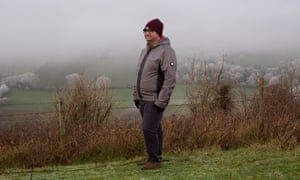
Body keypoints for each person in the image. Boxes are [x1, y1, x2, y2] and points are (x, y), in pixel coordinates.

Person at [133, 18, 177, 170]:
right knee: (155, 128)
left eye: (150, 30)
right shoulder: (144, 51)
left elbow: (170, 79)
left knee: (148, 128)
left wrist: (161, 101)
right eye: (145, 30)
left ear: (158, 33)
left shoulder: (166, 51)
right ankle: (154, 158)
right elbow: (139, 75)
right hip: (142, 99)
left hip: (154, 99)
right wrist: (136, 96)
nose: (147, 33)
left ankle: (154, 161)